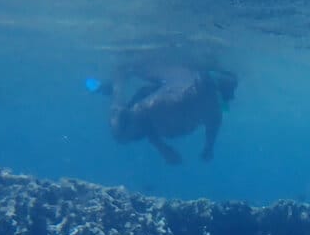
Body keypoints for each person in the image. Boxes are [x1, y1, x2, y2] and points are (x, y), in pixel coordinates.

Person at [100, 63, 238, 165]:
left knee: (122, 131)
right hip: (153, 106)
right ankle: (117, 84)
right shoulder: (168, 102)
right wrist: (162, 147)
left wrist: (208, 148)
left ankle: (140, 85)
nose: (232, 98)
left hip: (167, 98)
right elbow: (143, 115)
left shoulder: (213, 109)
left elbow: (213, 127)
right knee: (120, 133)